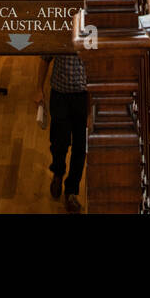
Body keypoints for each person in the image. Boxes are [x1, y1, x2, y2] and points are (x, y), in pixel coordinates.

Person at [36, 53, 87, 213]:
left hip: (83, 95)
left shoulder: (92, 29)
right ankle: (58, 172)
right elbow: (45, 59)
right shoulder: (58, 30)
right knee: (59, 141)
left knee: (80, 146)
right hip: (59, 94)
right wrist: (38, 89)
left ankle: (71, 191)